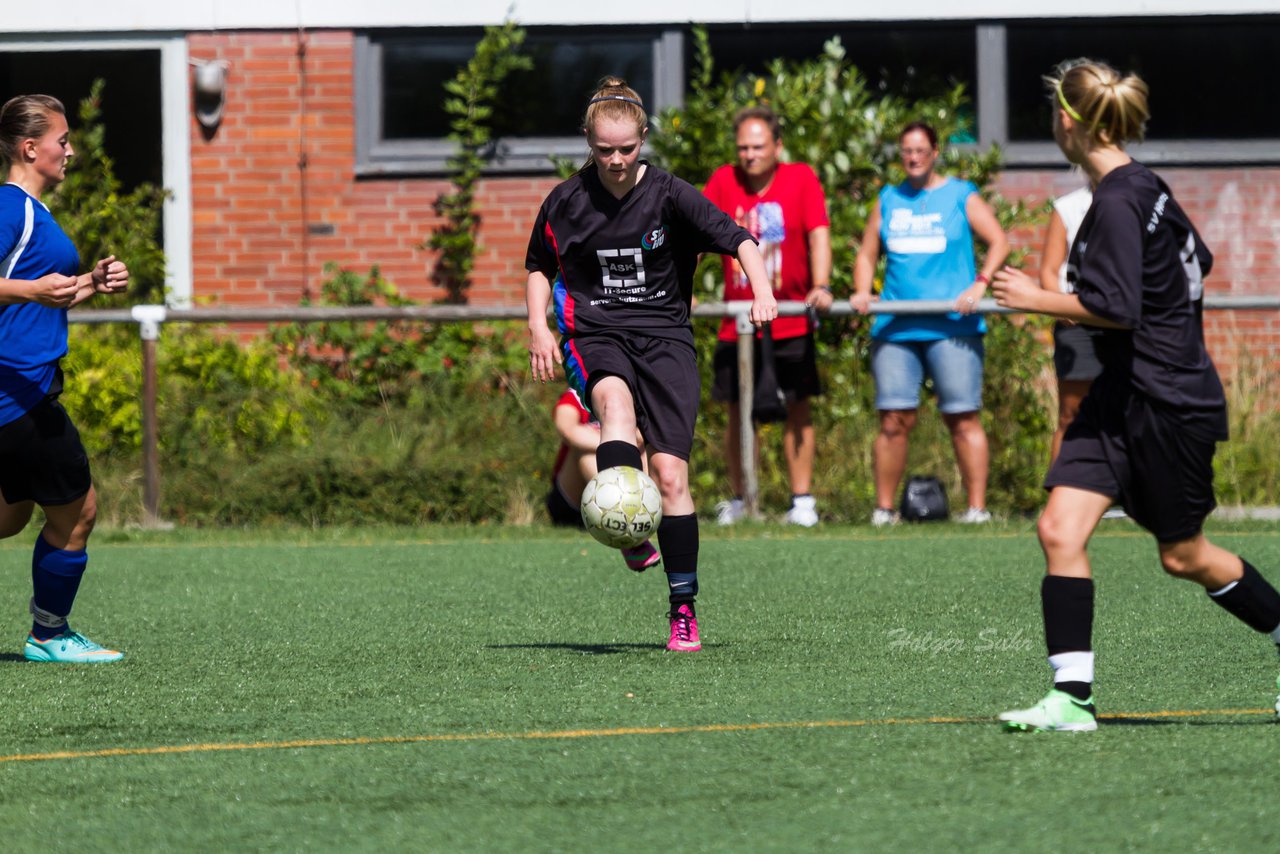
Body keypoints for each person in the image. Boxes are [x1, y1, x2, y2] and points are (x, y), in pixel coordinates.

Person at [992, 58, 1280, 731]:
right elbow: (1196, 261)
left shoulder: (1121, 199)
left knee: (1184, 556)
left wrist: (1038, 298)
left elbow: (1118, 305)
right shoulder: (1143, 187)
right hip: (1121, 394)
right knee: (1059, 527)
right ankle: (1072, 698)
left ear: (1067, 121)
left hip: (1167, 403)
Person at [526, 77, 777, 653]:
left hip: (666, 340)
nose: (615, 160)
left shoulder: (670, 195)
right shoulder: (565, 201)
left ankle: (682, 609)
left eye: (627, 148)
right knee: (613, 405)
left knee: (671, 477)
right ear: (588, 143)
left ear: (644, 138)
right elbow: (539, 265)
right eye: (603, 150)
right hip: (597, 333)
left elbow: (739, 239)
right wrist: (539, 326)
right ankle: (627, 526)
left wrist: (760, 289)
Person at [0, 94, 130, 662]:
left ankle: (49, 634)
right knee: (79, 512)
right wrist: (32, 289)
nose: (70, 150)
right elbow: (29, 292)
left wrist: (91, 283)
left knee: (10, 518)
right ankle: (50, 635)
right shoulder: (11, 209)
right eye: (62, 140)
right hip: (19, 397)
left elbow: (39, 297)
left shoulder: (36, 214)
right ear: (31, 148)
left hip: (21, 395)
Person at [850, 121, 1010, 526]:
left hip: (952, 327)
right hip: (896, 328)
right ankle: (884, 511)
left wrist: (980, 283)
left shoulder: (960, 194)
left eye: (921, 149)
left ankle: (976, 509)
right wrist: (862, 289)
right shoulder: (888, 198)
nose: (914, 157)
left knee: (963, 417)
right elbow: (867, 254)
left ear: (935, 152)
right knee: (892, 420)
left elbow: (999, 241)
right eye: (906, 150)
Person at [703, 106, 832, 528]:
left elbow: (818, 234)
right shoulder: (724, 181)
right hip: (737, 320)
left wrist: (823, 283)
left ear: (777, 146)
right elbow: (695, 232)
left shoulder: (801, 179)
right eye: (742, 147)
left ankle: (802, 501)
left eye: (758, 146)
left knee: (798, 408)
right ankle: (742, 499)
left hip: (790, 316)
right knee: (738, 412)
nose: (749, 155)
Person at [545, 385, 661, 572]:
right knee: (585, 452)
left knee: (644, 449)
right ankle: (628, 531)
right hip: (571, 499)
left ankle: (640, 513)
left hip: (626, 491)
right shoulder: (577, 395)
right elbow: (568, 430)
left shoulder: (631, 397)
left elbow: (646, 434)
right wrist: (610, 444)